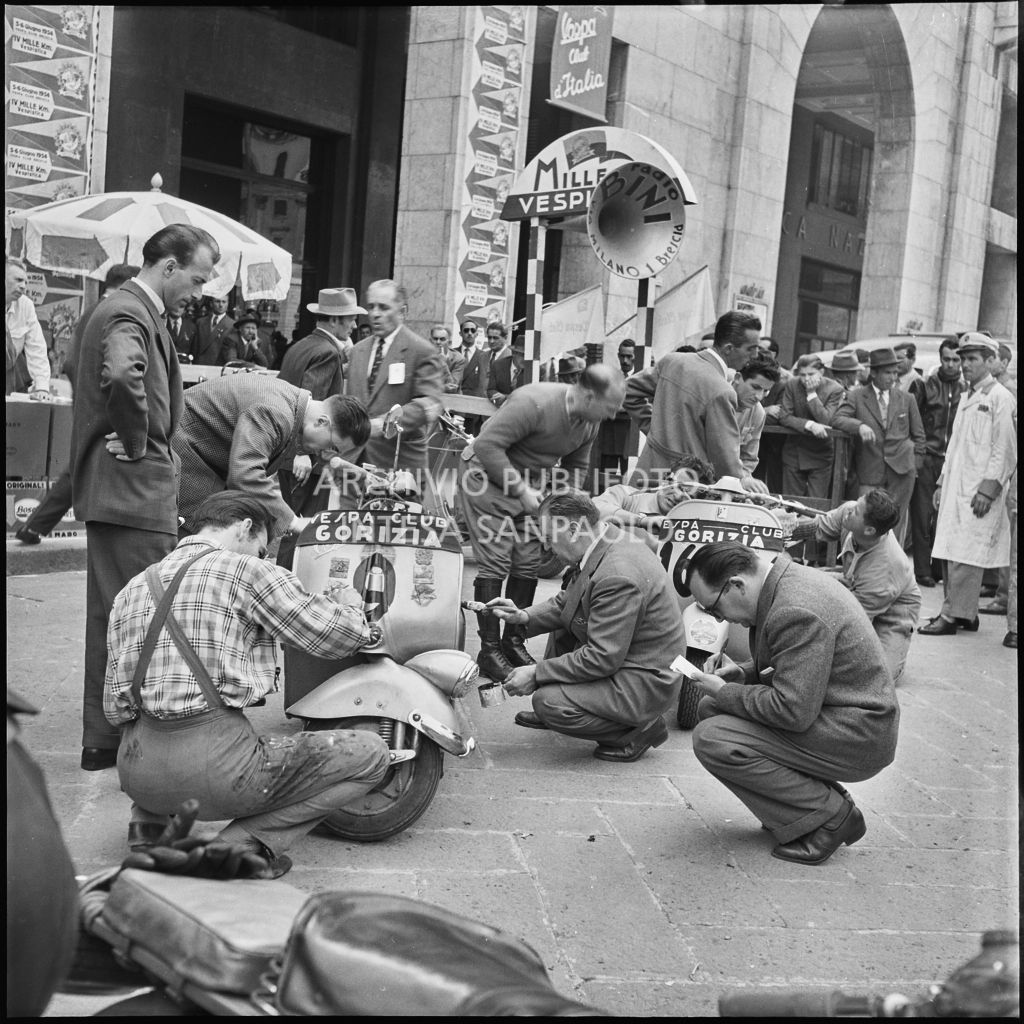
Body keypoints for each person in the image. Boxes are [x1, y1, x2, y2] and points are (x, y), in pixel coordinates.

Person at [104, 491, 391, 877]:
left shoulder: (133, 587)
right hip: (215, 770)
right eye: (261, 549)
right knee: (371, 754)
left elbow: (114, 707)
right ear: (245, 527)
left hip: (137, 771)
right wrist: (352, 606)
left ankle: (149, 831)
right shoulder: (245, 570)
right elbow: (336, 635)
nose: (262, 558)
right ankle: (238, 848)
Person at [71, 224, 220, 771]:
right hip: (133, 490)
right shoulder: (129, 310)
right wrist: (136, 441)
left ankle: (104, 738)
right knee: (140, 617)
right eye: (198, 279)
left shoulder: (126, 308)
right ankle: (126, 738)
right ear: (170, 267)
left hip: (125, 492)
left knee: (116, 614)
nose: (199, 292)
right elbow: (120, 373)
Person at [686, 541, 900, 865]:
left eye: (716, 609)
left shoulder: (795, 608)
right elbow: (796, 667)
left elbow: (791, 711)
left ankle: (831, 816)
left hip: (860, 734)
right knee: (711, 711)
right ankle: (809, 808)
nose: (719, 618)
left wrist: (723, 691)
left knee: (713, 737)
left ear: (736, 585)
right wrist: (743, 673)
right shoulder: (783, 584)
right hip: (843, 717)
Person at [486, 491, 686, 762]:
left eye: (549, 538)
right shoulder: (605, 539)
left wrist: (537, 673)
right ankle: (576, 698)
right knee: (569, 621)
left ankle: (639, 729)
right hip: (628, 658)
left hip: (645, 681)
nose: (546, 548)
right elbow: (570, 600)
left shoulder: (617, 574)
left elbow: (601, 657)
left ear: (573, 529)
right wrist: (523, 616)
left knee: (549, 703)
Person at [458, 364, 627, 682]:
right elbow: (486, 445)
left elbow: (576, 466)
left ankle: (513, 640)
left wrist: (565, 504)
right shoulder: (533, 402)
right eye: (611, 407)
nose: (613, 415)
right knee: (496, 560)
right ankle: (489, 650)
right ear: (589, 396)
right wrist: (521, 490)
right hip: (486, 477)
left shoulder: (590, 422)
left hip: (530, 485)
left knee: (528, 560)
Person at [15, 264, 140, 546]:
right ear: (125, 284)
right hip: (101, 404)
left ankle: (36, 526)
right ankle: (38, 526)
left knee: (81, 465)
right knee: (83, 465)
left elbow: (72, 362)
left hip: (88, 401)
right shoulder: (112, 313)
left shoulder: (95, 311)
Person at [173, 374, 370, 540]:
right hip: (184, 453)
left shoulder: (291, 405)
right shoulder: (275, 412)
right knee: (201, 538)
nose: (325, 452)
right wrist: (294, 522)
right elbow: (245, 475)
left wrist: (363, 476)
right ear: (321, 422)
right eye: (331, 446)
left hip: (198, 456)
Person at [919, 334, 1017, 636]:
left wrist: (989, 489)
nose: (965, 365)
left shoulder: (1000, 397)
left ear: (990, 361)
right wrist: (941, 483)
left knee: (966, 554)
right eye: (963, 359)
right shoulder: (967, 395)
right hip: (956, 487)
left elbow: (1006, 449)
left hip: (978, 491)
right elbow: (956, 446)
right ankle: (965, 614)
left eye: (973, 359)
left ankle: (952, 615)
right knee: (953, 549)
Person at [623, 310, 769, 494]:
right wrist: (743, 481)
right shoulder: (722, 391)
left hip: (646, 478)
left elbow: (627, 391)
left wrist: (656, 429)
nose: (755, 354)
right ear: (729, 348)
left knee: (634, 520)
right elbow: (725, 458)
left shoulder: (673, 361)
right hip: (688, 491)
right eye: (750, 348)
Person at [792, 489, 921, 682]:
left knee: (876, 679)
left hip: (893, 614)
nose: (851, 509)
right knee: (806, 581)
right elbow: (819, 527)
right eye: (857, 504)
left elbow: (855, 622)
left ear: (869, 530)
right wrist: (781, 529)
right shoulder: (850, 511)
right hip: (854, 585)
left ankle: (895, 648)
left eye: (857, 511)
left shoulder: (885, 569)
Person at [344, 279, 445, 482]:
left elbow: (431, 403)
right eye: (371, 306)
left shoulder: (421, 351)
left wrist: (385, 423)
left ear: (402, 311)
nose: (375, 314)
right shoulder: (357, 351)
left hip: (398, 469)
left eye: (383, 307)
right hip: (354, 466)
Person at [277, 288, 365, 521]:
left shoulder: (302, 345)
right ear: (335, 320)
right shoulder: (327, 352)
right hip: (306, 459)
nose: (354, 326)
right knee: (302, 530)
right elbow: (309, 405)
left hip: (287, 453)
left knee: (289, 524)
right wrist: (303, 452)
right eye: (351, 319)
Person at [833, 347, 925, 545]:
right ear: (873, 373)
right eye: (887, 372)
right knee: (863, 520)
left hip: (902, 471)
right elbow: (838, 419)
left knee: (896, 522)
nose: (892, 377)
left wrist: (914, 466)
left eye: (895, 372)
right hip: (870, 469)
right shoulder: (857, 396)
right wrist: (860, 426)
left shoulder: (906, 399)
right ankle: (858, 561)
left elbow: (919, 436)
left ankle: (889, 565)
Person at [908, 336, 963, 587]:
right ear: (940, 359)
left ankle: (938, 568)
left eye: (956, 359)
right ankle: (922, 570)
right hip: (928, 457)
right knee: (922, 514)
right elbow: (913, 420)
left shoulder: (966, 389)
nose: (951, 364)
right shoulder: (924, 385)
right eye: (946, 359)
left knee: (945, 516)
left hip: (951, 459)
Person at [594, 452, 715, 538]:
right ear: (665, 479)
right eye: (678, 486)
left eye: (688, 497)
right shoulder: (627, 496)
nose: (678, 496)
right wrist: (642, 521)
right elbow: (595, 509)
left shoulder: (687, 529)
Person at [778, 353, 845, 500]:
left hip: (821, 452)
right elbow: (784, 416)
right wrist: (809, 425)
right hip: (794, 452)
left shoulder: (835, 389)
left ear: (821, 372)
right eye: (802, 375)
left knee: (816, 502)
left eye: (811, 374)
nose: (806, 379)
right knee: (791, 503)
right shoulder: (792, 384)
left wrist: (811, 394)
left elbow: (827, 420)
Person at [592, 339, 640, 490]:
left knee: (631, 476)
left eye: (629, 357)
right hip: (610, 434)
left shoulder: (641, 377)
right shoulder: (611, 377)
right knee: (605, 478)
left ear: (636, 357)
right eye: (622, 356)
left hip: (631, 435)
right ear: (618, 356)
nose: (625, 360)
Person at [6, 255, 52, 399]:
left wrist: (42, 388)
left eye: (25, 282)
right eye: (18, 280)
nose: (24, 286)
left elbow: (36, 347)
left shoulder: (25, 305)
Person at [734, 355, 781, 477]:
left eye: (766, 391)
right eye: (755, 387)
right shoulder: (717, 396)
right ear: (738, 378)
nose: (759, 397)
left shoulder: (758, 412)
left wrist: (742, 479)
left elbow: (749, 458)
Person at [193, 295, 235, 366]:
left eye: (224, 302)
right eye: (217, 301)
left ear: (228, 304)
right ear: (211, 303)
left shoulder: (232, 325)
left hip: (218, 366)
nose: (221, 305)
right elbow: (195, 347)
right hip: (200, 364)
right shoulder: (200, 322)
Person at [486, 326, 523, 406]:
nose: (525, 359)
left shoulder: (534, 370)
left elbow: (529, 396)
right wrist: (496, 396)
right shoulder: (498, 365)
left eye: (527, 355)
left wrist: (506, 397)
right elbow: (491, 389)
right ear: (513, 353)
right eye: (521, 355)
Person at [429, 323, 466, 393]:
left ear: (449, 342)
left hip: (450, 400)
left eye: (442, 339)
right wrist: (443, 387)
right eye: (435, 339)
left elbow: (453, 387)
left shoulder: (458, 359)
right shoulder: (423, 356)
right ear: (430, 340)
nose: (438, 342)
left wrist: (442, 363)